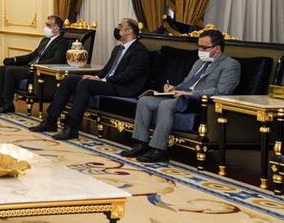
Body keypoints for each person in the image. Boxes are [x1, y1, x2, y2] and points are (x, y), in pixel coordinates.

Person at [121, 29, 240, 163]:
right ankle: (141, 144)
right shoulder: (199, 62)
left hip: (200, 102)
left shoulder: (231, 65)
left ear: (217, 48)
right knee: (145, 101)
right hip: (182, 97)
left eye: (204, 47)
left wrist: (190, 94)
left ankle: (159, 150)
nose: (200, 50)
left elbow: (222, 92)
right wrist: (174, 88)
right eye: (199, 46)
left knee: (166, 104)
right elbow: (186, 83)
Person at [31, 18, 151, 140]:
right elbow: (107, 69)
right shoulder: (118, 49)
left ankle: (71, 128)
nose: (117, 29)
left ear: (129, 31)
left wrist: (103, 80)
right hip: (110, 82)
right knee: (69, 80)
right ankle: (50, 121)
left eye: (120, 26)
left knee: (86, 84)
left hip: (123, 87)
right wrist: (96, 77)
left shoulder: (139, 51)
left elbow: (128, 76)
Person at [0, 15, 69, 113]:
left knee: (10, 71)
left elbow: (56, 60)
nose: (45, 27)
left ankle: (8, 104)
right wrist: (14, 59)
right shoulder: (45, 40)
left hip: (39, 70)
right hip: (30, 67)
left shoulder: (61, 42)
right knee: (2, 68)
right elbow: (32, 55)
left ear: (56, 28)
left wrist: (37, 64)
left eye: (48, 25)